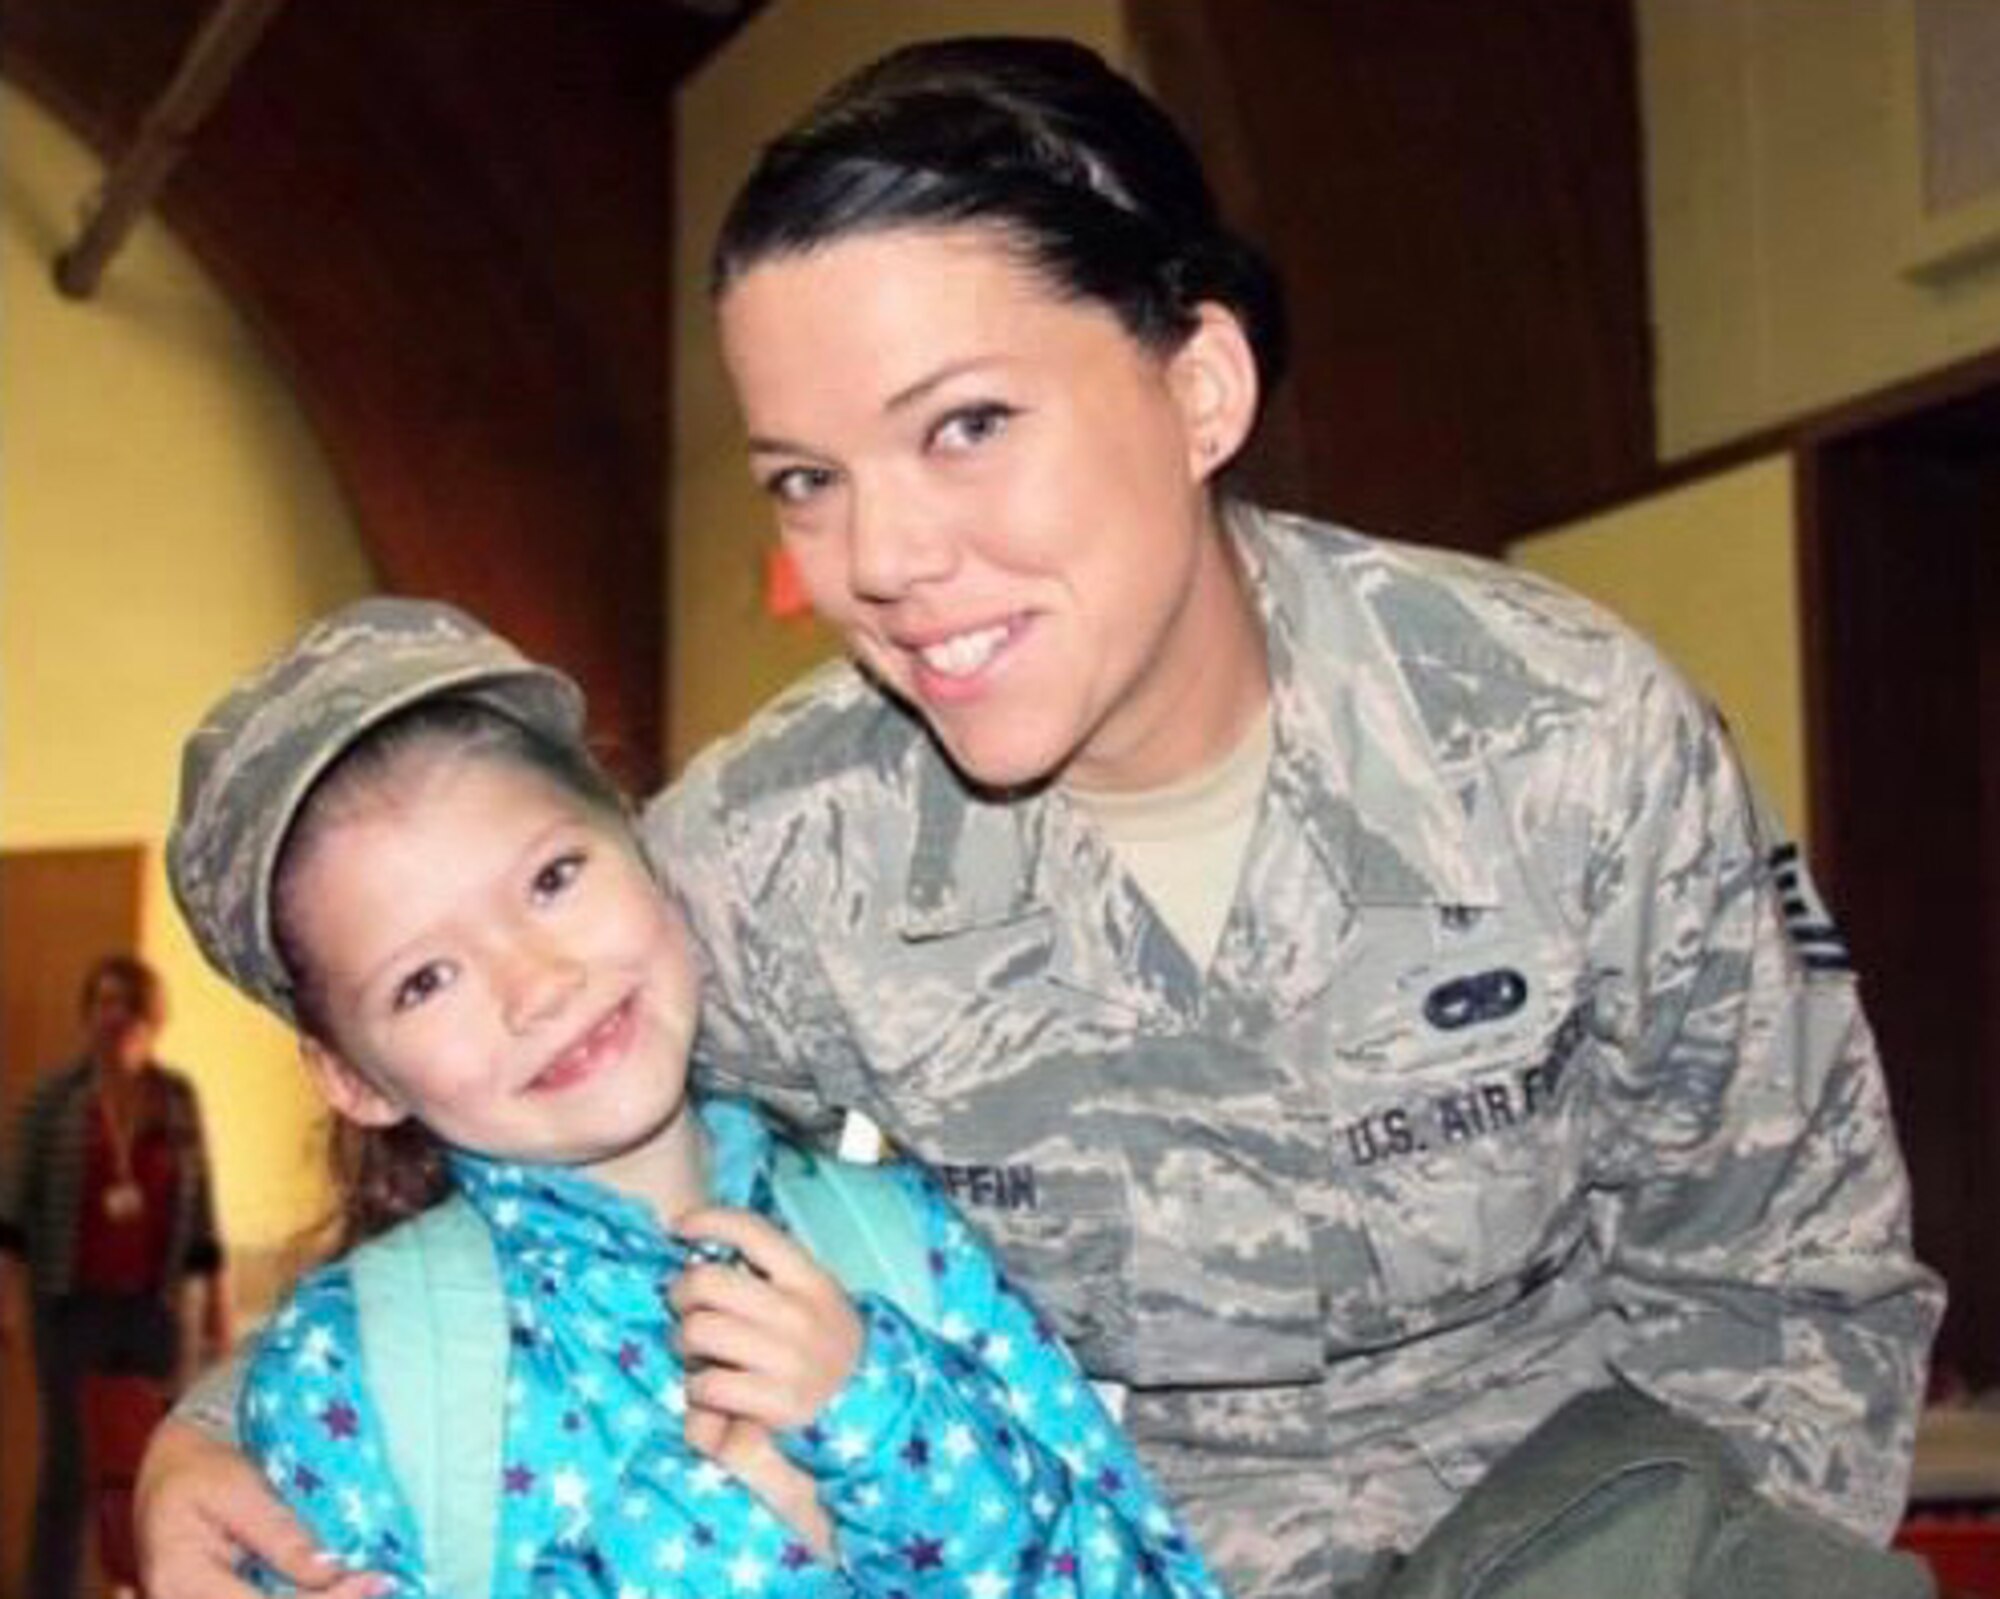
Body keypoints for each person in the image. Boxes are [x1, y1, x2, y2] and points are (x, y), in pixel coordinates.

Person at [137, 34, 1942, 1599]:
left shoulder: (1563, 735)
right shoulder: (770, 860)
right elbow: (525, 1120)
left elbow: (1790, 1281)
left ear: (1201, 386)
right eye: (807, 479)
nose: (884, 559)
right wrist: (213, 1432)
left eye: (969, 422)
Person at [157, 595, 1229, 1599]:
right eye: (425, 980)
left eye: (552, 879)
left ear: (641, 840)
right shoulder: (350, 1383)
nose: (538, 986)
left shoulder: (907, 1241)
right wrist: (713, 1536)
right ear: (353, 1076)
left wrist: (890, 1427)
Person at [0, 953, 231, 1599]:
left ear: (150, 1017)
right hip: (69, 1310)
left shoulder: (176, 1097)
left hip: (154, 1311)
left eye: (125, 1003)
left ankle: (142, 1585)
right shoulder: (53, 1100)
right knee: (70, 1472)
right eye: (100, 1002)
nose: (112, 1016)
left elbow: (201, 1211)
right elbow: (13, 1209)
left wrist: (216, 1304)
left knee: (152, 1465)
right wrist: (7, 1300)